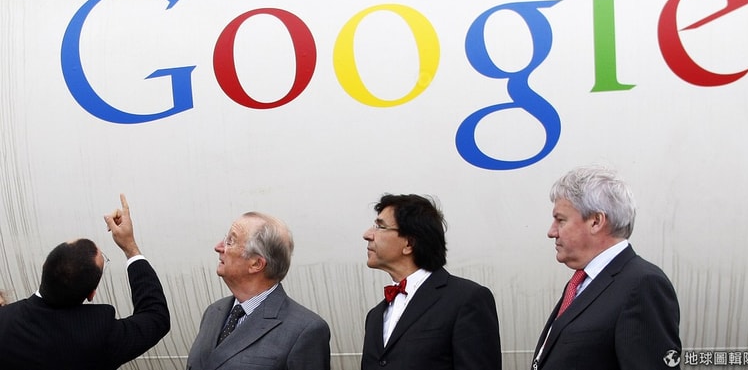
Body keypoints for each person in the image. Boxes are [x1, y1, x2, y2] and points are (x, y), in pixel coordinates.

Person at [531, 165, 682, 370]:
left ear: (596, 221)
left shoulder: (643, 285)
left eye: (561, 220)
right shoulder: (583, 283)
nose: (552, 232)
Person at [0, 194, 170, 370]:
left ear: (45, 267)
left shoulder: (4, 320)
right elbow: (156, 317)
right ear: (91, 294)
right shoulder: (101, 334)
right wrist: (130, 248)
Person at [361, 194, 502, 370]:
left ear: (409, 243)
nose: (367, 235)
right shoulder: (374, 316)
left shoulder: (466, 299)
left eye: (380, 226)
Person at [186, 211, 331, 370]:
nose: (218, 247)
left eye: (230, 241)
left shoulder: (305, 330)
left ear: (256, 264)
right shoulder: (214, 312)